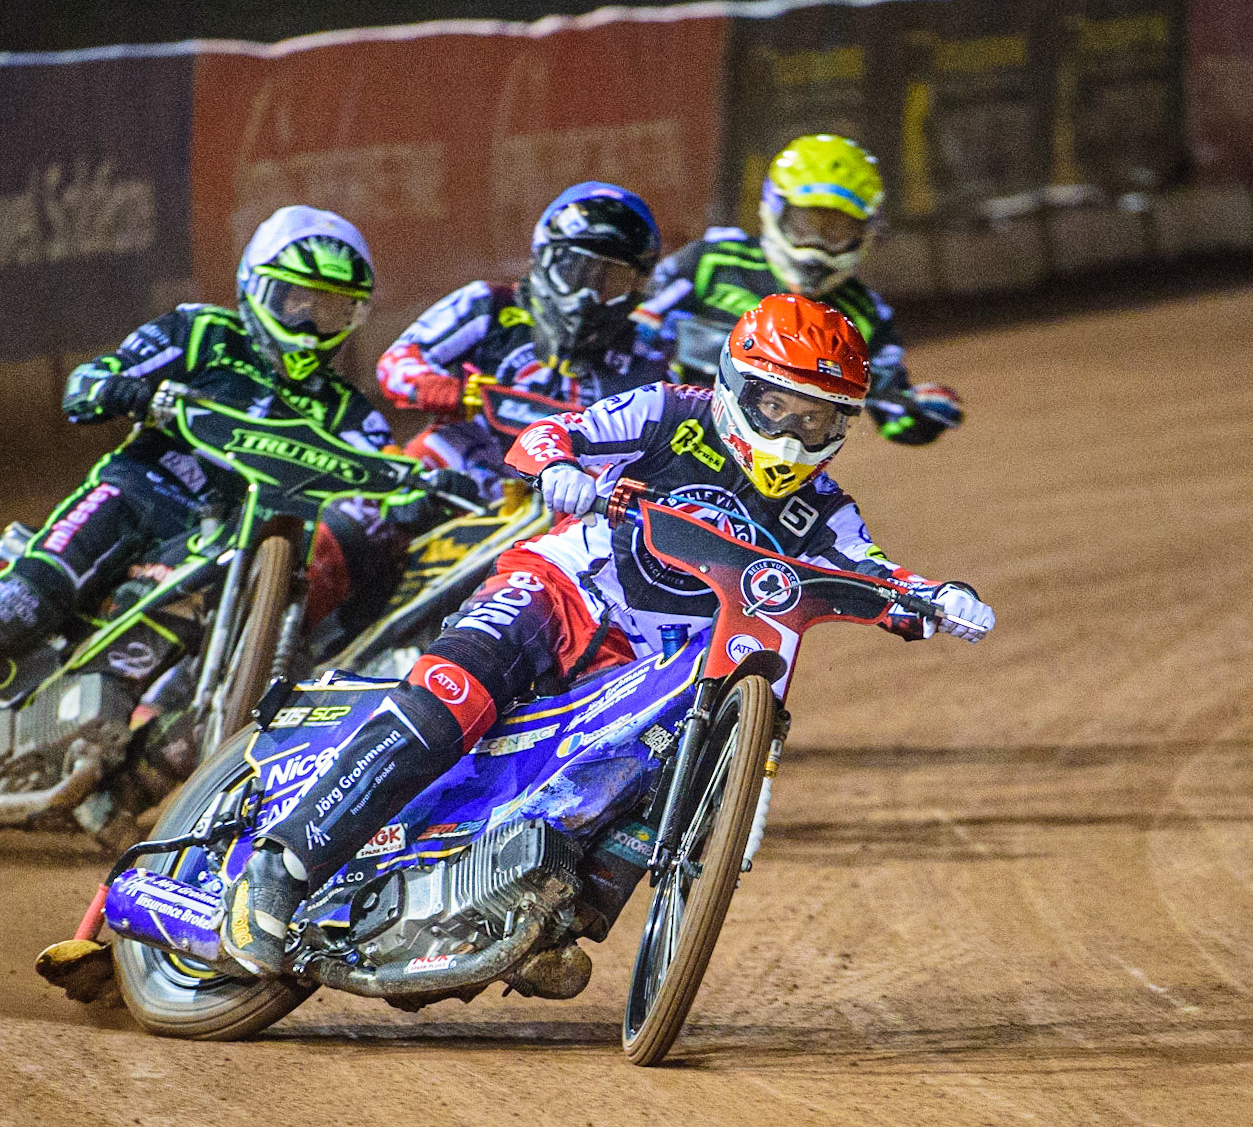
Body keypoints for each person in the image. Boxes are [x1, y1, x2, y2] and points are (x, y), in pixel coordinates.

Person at [222, 292, 995, 972]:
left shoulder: (824, 510)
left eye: (816, 418)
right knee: (452, 695)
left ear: (843, 424)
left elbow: (873, 573)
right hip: (560, 589)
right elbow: (554, 435)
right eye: (775, 407)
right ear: (735, 384)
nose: (792, 435)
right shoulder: (667, 410)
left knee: (661, 771)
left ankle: (541, 920)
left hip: (643, 666)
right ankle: (280, 870)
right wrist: (558, 465)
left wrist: (935, 598)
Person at [0, 206, 417, 794]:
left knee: (291, 657)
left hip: (235, 555)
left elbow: (385, 474)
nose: (313, 324)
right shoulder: (201, 334)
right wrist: (127, 390)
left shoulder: (348, 412)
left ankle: (127, 785)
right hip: (139, 497)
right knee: (35, 594)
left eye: (332, 309)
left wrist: (426, 489)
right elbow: (86, 384)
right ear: (258, 289)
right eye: (298, 302)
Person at [635, 134, 963, 446]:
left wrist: (921, 416)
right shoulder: (711, 261)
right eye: (807, 224)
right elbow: (625, 325)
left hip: (775, 464)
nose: (817, 247)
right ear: (775, 208)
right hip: (669, 435)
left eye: (836, 230)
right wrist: (641, 330)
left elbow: (895, 421)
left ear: (864, 232)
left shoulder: (864, 313)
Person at [376, 182, 670, 500]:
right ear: (544, 258)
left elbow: (666, 443)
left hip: (568, 496)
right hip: (465, 469)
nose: (589, 293)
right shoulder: (489, 303)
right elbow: (398, 358)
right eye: (575, 270)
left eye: (611, 280)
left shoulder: (645, 358)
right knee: (404, 472)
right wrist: (436, 386)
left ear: (637, 288)